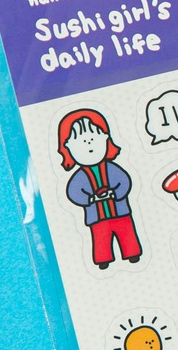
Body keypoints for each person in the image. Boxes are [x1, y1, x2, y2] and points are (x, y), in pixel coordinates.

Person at [56, 108, 142, 268]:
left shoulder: (112, 168)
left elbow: (124, 182)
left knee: (126, 233)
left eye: (93, 138)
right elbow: (73, 192)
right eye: (81, 141)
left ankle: (132, 254)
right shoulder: (79, 176)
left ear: (106, 139)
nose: (89, 144)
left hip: (120, 211)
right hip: (96, 216)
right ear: (67, 147)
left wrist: (115, 194)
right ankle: (103, 260)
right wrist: (90, 199)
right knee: (101, 238)